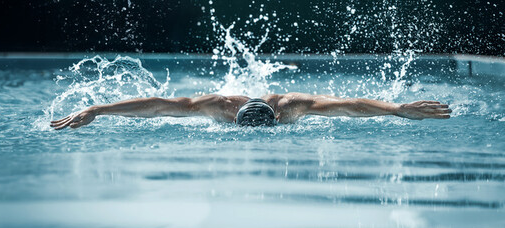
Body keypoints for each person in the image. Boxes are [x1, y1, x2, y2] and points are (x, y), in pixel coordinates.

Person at [50, 92, 451, 130]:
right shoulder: (217, 106)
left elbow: (348, 106)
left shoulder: (294, 107)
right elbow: (158, 106)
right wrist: (98, 108)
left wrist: (397, 109)